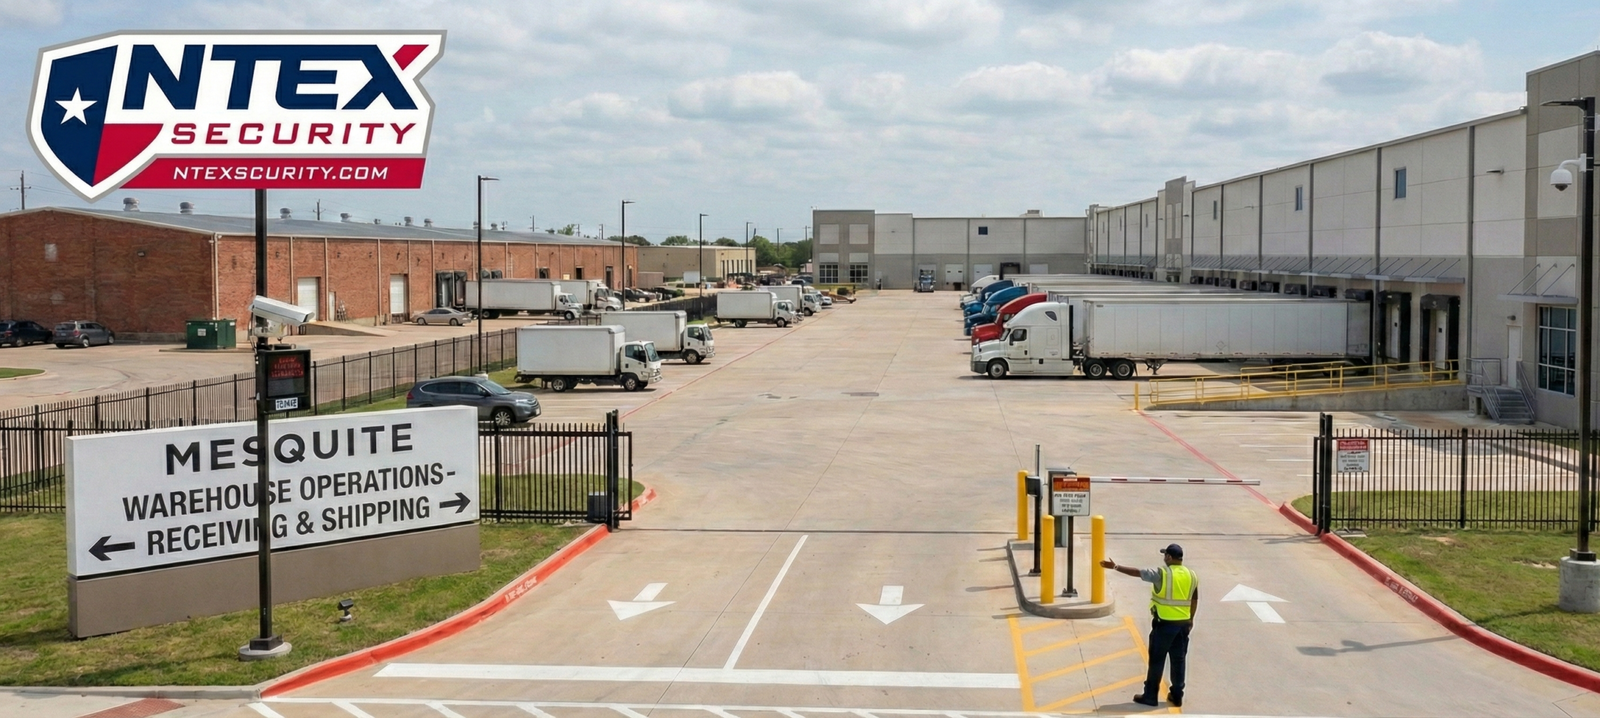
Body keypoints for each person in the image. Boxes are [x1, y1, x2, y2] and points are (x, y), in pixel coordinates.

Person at [1100, 544, 1198, 708]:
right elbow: (1194, 599)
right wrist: (1190, 620)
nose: (1164, 558)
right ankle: (1177, 695)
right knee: (1179, 660)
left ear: (1169, 557)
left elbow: (1138, 573)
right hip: (1182, 626)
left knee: (1157, 660)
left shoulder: (1163, 574)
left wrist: (1116, 567)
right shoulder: (1192, 575)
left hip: (1164, 625)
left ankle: (1150, 696)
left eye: (1165, 555)